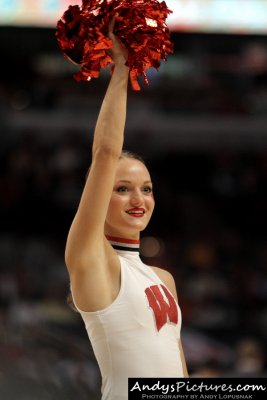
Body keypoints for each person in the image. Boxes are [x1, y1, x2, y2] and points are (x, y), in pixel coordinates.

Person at [65, 17, 188, 400]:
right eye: (122, 189)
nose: (139, 199)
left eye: (146, 189)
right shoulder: (92, 259)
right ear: (100, 196)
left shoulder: (164, 279)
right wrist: (121, 67)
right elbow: (105, 153)